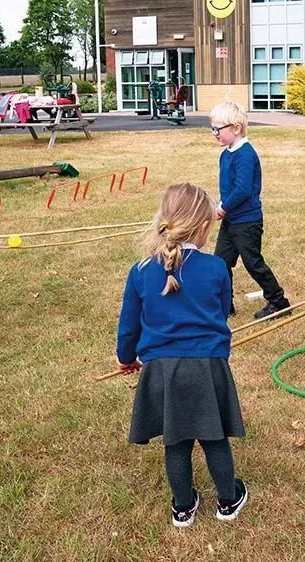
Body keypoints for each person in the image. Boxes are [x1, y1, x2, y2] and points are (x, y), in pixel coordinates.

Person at [115, 183, 248, 527]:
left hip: (160, 371)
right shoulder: (218, 267)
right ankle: (228, 501)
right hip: (208, 367)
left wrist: (125, 357)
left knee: (176, 440)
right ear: (204, 228)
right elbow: (220, 313)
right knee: (213, 436)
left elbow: (128, 326)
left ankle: (183, 506)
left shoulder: (141, 271)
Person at [209, 101, 290, 319]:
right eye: (212, 128)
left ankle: (278, 301)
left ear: (236, 128)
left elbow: (243, 190)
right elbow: (228, 189)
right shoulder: (226, 154)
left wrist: (222, 209)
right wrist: (221, 206)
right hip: (231, 221)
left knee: (253, 263)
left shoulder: (245, 154)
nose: (214, 133)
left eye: (218, 129)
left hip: (247, 221)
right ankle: (225, 304)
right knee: (220, 263)